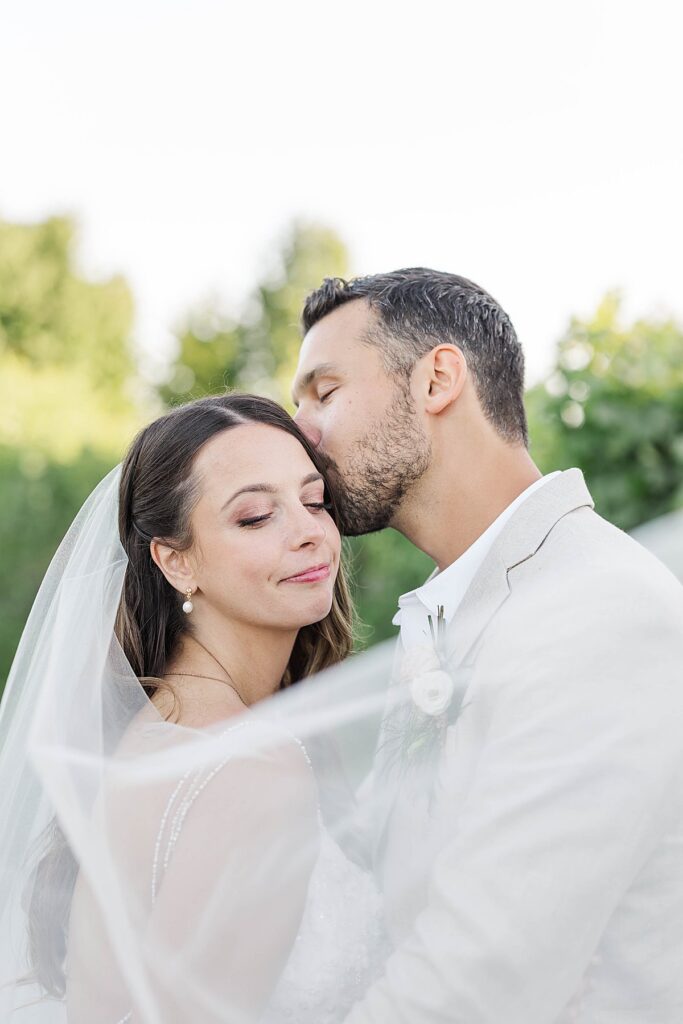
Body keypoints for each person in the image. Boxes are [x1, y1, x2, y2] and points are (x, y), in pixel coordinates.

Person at [292, 268, 683, 1023]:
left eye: (325, 392)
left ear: (437, 378)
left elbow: (481, 979)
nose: (299, 432)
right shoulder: (450, 615)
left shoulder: (598, 611)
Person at [0, 393, 389, 1023]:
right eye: (257, 516)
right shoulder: (253, 766)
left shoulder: (156, 727)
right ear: (175, 560)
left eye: (314, 501)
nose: (310, 532)